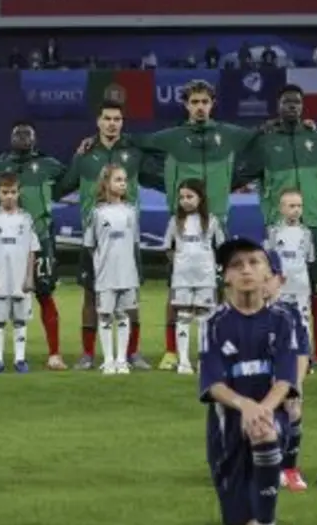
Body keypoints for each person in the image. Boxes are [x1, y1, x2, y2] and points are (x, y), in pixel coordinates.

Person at [125, 81, 260, 371]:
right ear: (186, 105)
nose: (200, 107)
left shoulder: (230, 134)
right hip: (183, 222)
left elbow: (263, 135)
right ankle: (172, 351)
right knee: (176, 288)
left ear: (213, 104)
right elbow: (134, 141)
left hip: (217, 219)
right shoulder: (171, 138)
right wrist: (94, 141)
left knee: (223, 286)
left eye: (205, 102)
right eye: (195, 102)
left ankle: (221, 347)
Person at [199, 238, 298, 525]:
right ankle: (252, 523)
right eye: (236, 265)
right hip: (227, 423)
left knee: (263, 431)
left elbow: (285, 379)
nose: (246, 270)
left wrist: (262, 410)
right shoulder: (214, 324)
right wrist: (245, 406)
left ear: (268, 272)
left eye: (254, 263)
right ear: (226, 276)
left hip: (270, 415)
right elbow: (213, 384)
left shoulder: (282, 321)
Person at [62, 99, 157, 370]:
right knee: (90, 294)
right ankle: (88, 354)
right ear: (98, 121)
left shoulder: (134, 152)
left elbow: (157, 174)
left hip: (126, 236)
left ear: (122, 122)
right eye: (107, 118)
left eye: (117, 119)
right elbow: (65, 183)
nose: (112, 124)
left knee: (130, 294)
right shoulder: (85, 154)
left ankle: (132, 353)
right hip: (95, 235)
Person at [249, 86, 317, 369]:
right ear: (278, 106)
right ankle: (274, 349)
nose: (292, 107)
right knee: (273, 287)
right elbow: (245, 169)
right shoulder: (265, 142)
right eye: (287, 102)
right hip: (278, 225)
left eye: (297, 102)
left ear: (303, 106)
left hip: (313, 222)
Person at [0, 121, 68, 370]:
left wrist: (47, 202)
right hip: (6, 244)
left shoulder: (49, 165)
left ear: (35, 138)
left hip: (39, 238)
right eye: (18, 134)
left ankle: (54, 354)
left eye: (27, 134)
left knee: (44, 293)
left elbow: (67, 182)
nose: (22, 138)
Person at [259, 248, 311, 493]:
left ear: (281, 279)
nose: (262, 284)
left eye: (267, 278)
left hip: (280, 381)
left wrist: (295, 384)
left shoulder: (290, 314)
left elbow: (301, 353)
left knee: (293, 406)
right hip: (251, 384)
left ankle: (289, 468)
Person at [0, 172, 41, 373]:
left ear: (18, 193)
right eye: (5, 192)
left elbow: (32, 250)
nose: (9, 196)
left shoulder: (26, 219)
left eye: (13, 192)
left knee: (20, 321)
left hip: (20, 278)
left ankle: (20, 360)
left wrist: (29, 277)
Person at [162, 178, 225, 375]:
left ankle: (204, 360)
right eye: (182, 197)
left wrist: (216, 269)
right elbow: (168, 247)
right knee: (183, 316)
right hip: (182, 279)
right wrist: (179, 263)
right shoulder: (175, 221)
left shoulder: (212, 221)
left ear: (200, 198)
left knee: (204, 318)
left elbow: (221, 247)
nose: (185, 201)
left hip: (205, 278)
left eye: (190, 196)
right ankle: (183, 361)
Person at [83, 164, 141, 376]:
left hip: (127, 273)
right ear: (106, 183)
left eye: (125, 180)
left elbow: (134, 243)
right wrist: (101, 264)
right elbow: (90, 244)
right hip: (105, 275)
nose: (123, 184)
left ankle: (121, 360)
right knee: (105, 315)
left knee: (123, 315)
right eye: (118, 179)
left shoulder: (131, 211)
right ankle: (108, 360)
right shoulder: (97, 213)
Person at [263, 188, 316, 352]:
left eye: (299, 206)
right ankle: (277, 354)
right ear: (282, 208)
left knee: (303, 320)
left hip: (300, 285)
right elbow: (268, 259)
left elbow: (309, 259)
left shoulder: (306, 233)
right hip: (280, 286)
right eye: (292, 206)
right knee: (277, 320)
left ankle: (304, 355)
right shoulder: (273, 232)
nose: (296, 210)